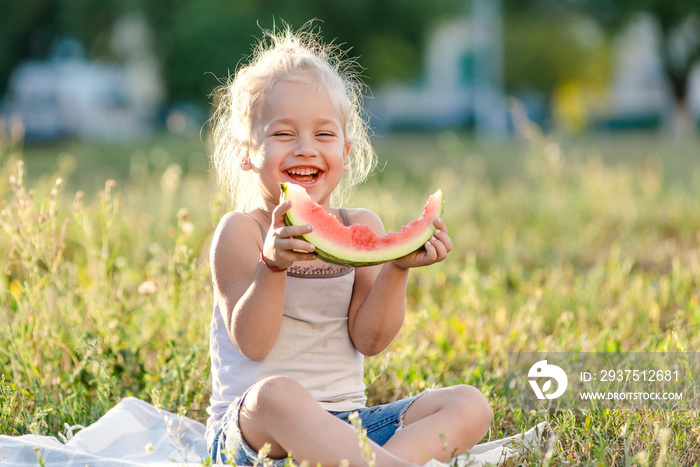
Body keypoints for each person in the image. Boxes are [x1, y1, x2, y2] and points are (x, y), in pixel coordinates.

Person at [205, 24, 492, 467]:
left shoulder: (361, 225)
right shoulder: (241, 231)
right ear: (247, 152)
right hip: (251, 436)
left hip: (349, 424)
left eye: (324, 135)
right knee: (276, 394)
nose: (305, 149)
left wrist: (397, 267)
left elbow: (371, 339)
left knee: (470, 405)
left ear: (346, 149)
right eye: (283, 134)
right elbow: (253, 344)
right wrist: (272, 266)